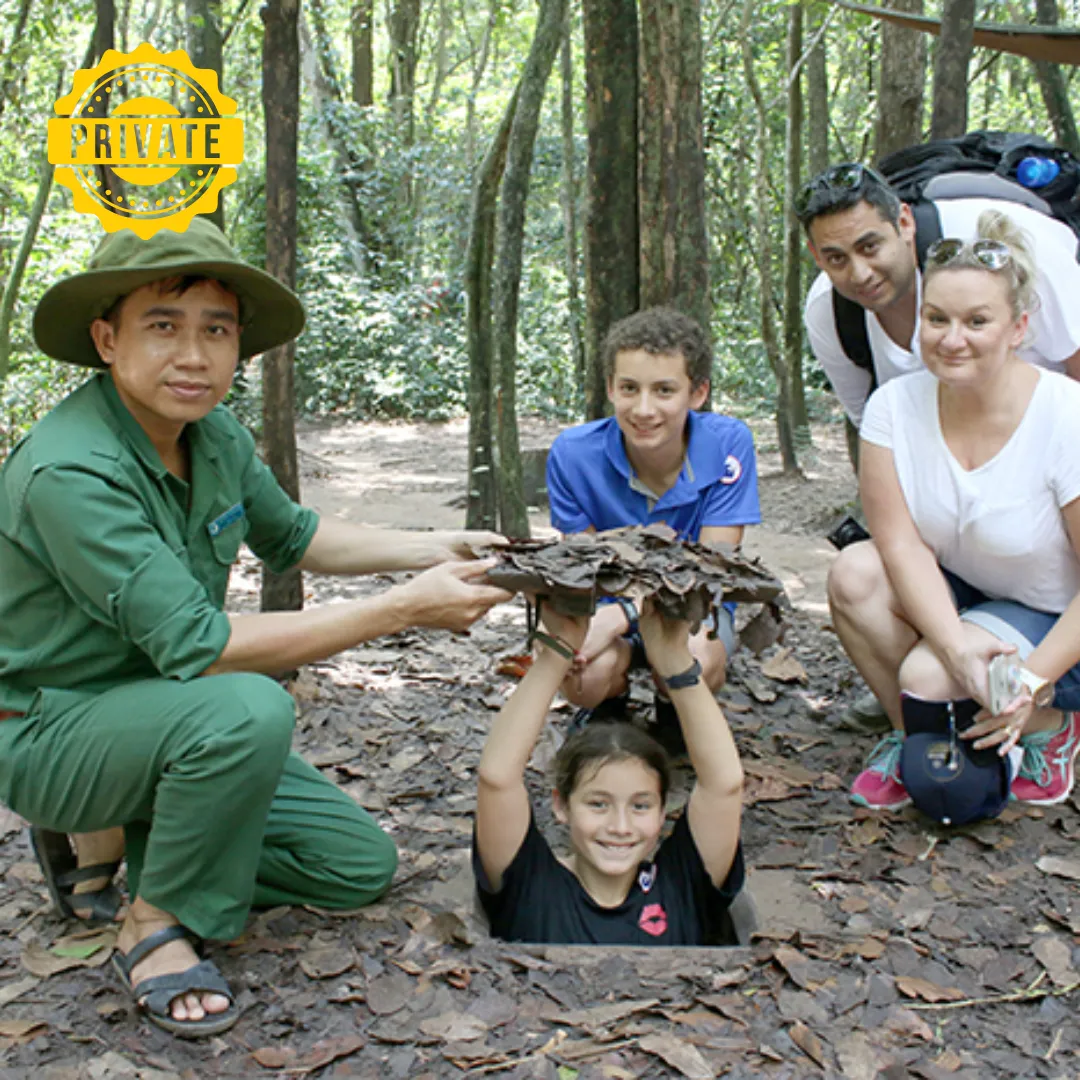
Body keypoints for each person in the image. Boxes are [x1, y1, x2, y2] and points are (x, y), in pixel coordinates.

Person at [0, 219, 511, 1037]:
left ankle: (122, 838)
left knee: (354, 865)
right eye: (162, 326)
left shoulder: (211, 436)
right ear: (106, 339)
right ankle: (153, 923)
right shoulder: (72, 470)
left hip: (164, 714)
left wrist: (437, 547)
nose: (193, 356)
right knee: (250, 706)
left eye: (217, 330)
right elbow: (203, 649)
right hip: (54, 728)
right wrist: (403, 609)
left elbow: (295, 536)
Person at [827, 209, 1080, 812]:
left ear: (1018, 328)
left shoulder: (1066, 415)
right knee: (855, 574)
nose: (952, 338)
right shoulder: (893, 407)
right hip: (967, 591)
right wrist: (958, 649)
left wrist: (1030, 681)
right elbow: (901, 545)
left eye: (977, 321)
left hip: (1057, 615)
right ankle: (910, 730)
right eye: (936, 318)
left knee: (928, 676)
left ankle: (1051, 723)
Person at [545, 308, 760, 751]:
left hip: (693, 607)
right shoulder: (572, 454)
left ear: (697, 393)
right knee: (579, 672)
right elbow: (585, 566)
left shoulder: (728, 444)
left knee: (694, 658)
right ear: (610, 388)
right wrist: (604, 621)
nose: (644, 410)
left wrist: (621, 615)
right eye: (629, 388)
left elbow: (712, 566)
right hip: (605, 602)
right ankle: (609, 701)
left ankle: (673, 705)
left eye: (664, 390)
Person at [473, 600, 744, 944]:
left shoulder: (683, 887)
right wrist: (557, 653)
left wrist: (675, 663)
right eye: (598, 804)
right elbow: (497, 778)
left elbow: (724, 785)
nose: (620, 827)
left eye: (641, 806)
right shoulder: (532, 886)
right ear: (561, 805)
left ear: (663, 811)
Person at [796, 161, 1080, 428]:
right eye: (836, 259)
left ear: (904, 223)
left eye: (870, 247)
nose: (860, 274)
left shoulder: (1003, 247)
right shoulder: (830, 312)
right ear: (817, 257)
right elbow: (871, 425)